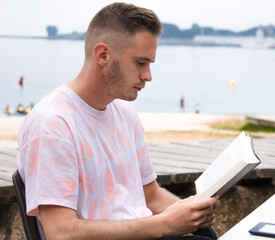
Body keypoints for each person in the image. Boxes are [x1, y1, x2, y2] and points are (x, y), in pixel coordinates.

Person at [16, 2, 220, 240]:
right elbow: (61, 233)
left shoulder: (125, 114)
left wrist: (191, 213)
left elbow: (151, 196)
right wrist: (163, 224)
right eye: (140, 63)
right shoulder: (51, 125)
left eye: (149, 64)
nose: (148, 76)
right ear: (103, 55)